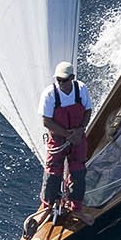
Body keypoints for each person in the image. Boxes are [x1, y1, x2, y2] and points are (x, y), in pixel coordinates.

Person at [35, 61, 95, 224]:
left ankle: (76, 207)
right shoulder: (49, 94)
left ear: (72, 78)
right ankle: (47, 206)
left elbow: (88, 111)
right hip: (59, 140)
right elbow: (47, 121)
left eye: (64, 79)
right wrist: (68, 135)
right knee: (53, 172)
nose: (61, 83)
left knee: (79, 172)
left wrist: (80, 129)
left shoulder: (80, 89)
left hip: (77, 137)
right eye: (58, 79)